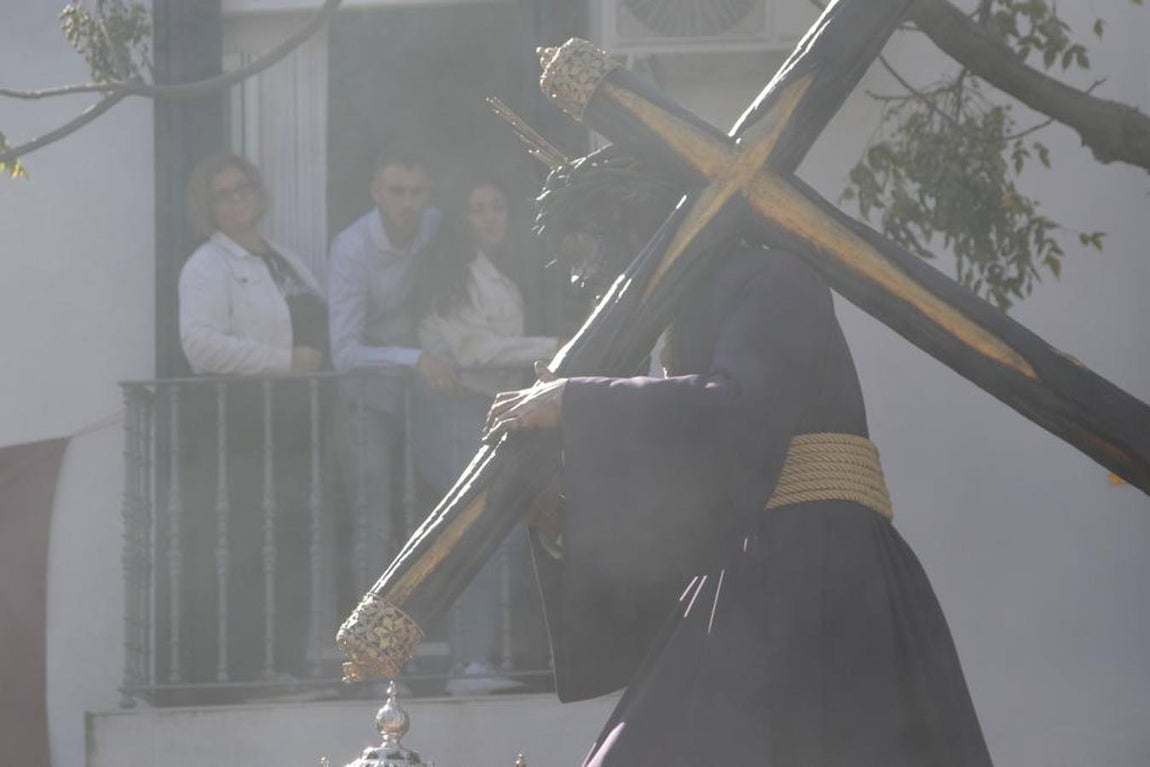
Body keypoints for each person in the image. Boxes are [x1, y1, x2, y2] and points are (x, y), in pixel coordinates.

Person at [483, 150, 993, 765]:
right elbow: (678, 500)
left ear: (628, 219)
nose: (577, 279)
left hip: (823, 566)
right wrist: (561, 516)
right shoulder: (686, 323)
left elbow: (740, 407)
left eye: (580, 249)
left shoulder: (774, 279)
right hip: (749, 571)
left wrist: (577, 401)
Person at [176, 152, 327, 689]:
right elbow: (200, 346)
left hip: (294, 424)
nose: (238, 199)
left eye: (244, 188)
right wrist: (282, 363)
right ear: (207, 206)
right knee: (250, 545)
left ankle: (292, 660)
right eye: (224, 193)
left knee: (292, 541)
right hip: (244, 425)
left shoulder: (283, 257)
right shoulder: (207, 266)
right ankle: (253, 663)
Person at [410, 176, 560, 694]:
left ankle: (479, 660)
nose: (490, 217)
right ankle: (469, 664)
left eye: (498, 206)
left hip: (484, 412)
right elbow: (474, 350)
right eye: (478, 209)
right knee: (480, 531)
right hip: (453, 414)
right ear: (460, 217)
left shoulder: (496, 271)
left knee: (499, 532)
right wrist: (557, 348)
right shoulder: (452, 274)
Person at [327, 147, 457, 592]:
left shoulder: (438, 226)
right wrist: (415, 358)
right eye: (396, 191)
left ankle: (434, 623)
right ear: (375, 192)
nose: (407, 202)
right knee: (374, 517)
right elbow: (344, 352)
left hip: (431, 390)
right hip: (367, 394)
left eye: (416, 191)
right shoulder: (350, 247)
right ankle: (370, 641)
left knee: (449, 499)